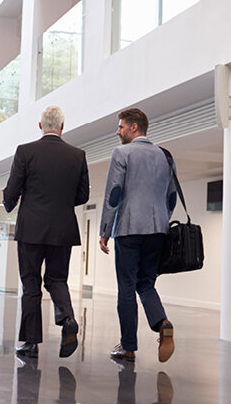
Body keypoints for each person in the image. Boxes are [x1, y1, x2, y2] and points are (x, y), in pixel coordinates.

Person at [3, 106, 89, 359]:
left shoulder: (25, 152)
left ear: (40, 126)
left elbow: (12, 189)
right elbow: (82, 195)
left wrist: (10, 203)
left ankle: (31, 343)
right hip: (63, 230)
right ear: (63, 127)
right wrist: (60, 205)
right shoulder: (77, 155)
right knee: (57, 279)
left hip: (30, 228)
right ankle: (68, 318)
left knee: (31, 283)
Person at [99, 108, 177, 363]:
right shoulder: (165, 156)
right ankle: (162, 322)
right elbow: (171, 196)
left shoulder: (122, 153)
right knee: (146, 283)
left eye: (121, 126)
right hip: (158, 230)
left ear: (134, 128)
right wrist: (161, 218)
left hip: (129, 228)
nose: (117, 131)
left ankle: (128, 347)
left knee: (127, 286)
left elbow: (114, 194)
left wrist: (105, 231)